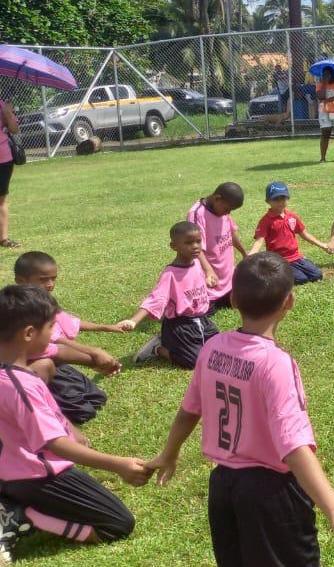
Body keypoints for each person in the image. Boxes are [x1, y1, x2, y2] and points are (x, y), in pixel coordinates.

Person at [95, 253, 334, 567]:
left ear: (231, 298)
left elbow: (189, 408)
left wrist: (169, 453)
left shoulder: (212, 347)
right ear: (289, 303)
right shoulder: (275, 363)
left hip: (223, 484)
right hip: (269, 492)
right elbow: (295, 447)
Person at [0, 286, 148, 567]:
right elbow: (54, 444)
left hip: (11, 471)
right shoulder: (21, 384)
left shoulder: (14, 375)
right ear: (29, 333)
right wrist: (118, 464)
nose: (55, 333)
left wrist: (68, 427)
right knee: (118, 524)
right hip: (34, 475)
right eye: (51, 327)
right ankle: (25, 514)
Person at [14, 252, 121, 425]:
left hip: (58, 362)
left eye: (53, 279)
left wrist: (105, 327)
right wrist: (94, 355)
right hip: (35, 365)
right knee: (83, 412)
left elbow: (68, 322)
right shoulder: (20, 310)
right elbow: (54, 345)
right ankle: (36, 406)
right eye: (43, 279)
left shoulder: (43, 301)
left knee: (96, 398)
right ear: (21, 280)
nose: (50, 285)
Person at [119, 221, 218, 369]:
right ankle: (159, 348)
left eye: (198, 241)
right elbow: (155, 299)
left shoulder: (196, 263)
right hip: (180, 325)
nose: (196, 246)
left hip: (202, 319)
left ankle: (176, 343)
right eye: (188, 243)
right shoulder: (170, 274)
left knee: (218, 352)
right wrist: (133, 320)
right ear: (174, 246)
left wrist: (208, 276)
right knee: (194, 361)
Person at [249, 181, 327, 284]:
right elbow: (259, 241)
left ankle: (295, 267)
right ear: (268, 201)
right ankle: (273, 270)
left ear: (288, 199)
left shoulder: (292, 216)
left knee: (317, 275)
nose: (280, 202)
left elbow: (305, 234)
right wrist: (249, 256)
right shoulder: (266, 220)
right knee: (301, 279)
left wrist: (323, 245)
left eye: (283, 198)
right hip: (279, 260)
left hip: (296, 257)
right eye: (276, 199)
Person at [188, 181, 247, 313]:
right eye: (227, 209)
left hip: (228, 282)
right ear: (217, 199)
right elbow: (195, 248)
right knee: (200, 314)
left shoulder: (223, 212)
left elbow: (231, 233)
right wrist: (208, 270)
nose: (228, 212)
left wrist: (244, 253)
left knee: (248, 299)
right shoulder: (197, 214)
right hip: (210, 284)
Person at [0, 93, 17, 247]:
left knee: (1, 199)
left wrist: (7, 112)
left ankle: (4, 239)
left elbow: (14, 129)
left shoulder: (2, 105)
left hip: (3, 159)